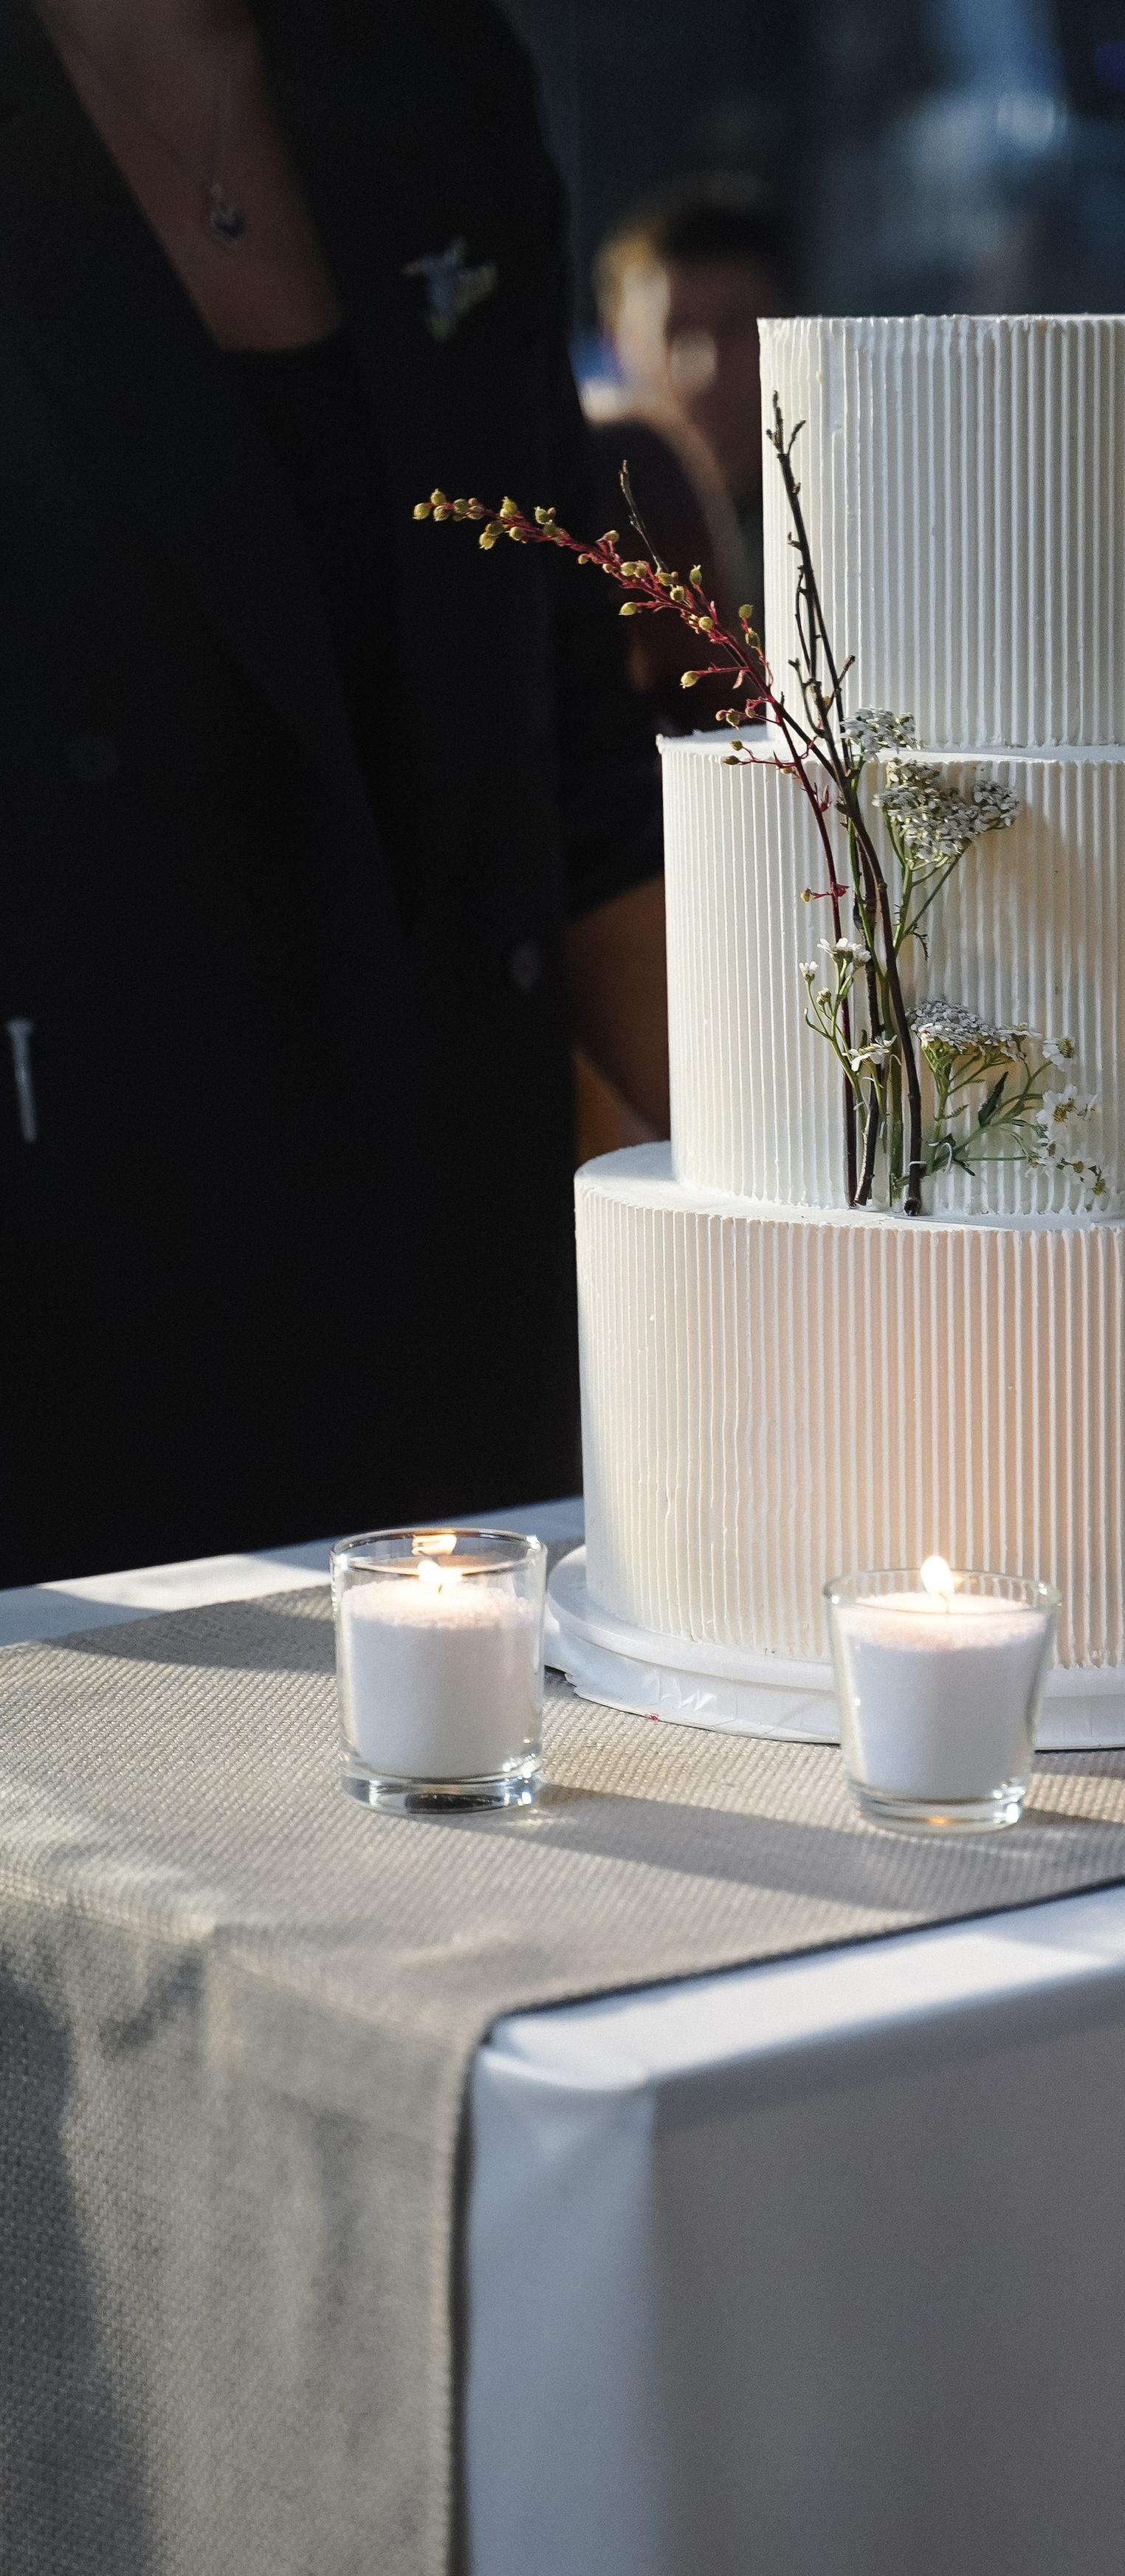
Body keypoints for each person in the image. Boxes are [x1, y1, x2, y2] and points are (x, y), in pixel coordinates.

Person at [0, 0, 668, 1584]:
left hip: (456, 1292)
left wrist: (836, 1221)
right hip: (76, 1309)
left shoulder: (432, 66)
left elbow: (567, 738)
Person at [592, 174, 794, 631]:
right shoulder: (586, 530)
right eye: (675, 332)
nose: (707, 370)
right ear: (614, 342)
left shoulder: (852, 525)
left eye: (737, 327)